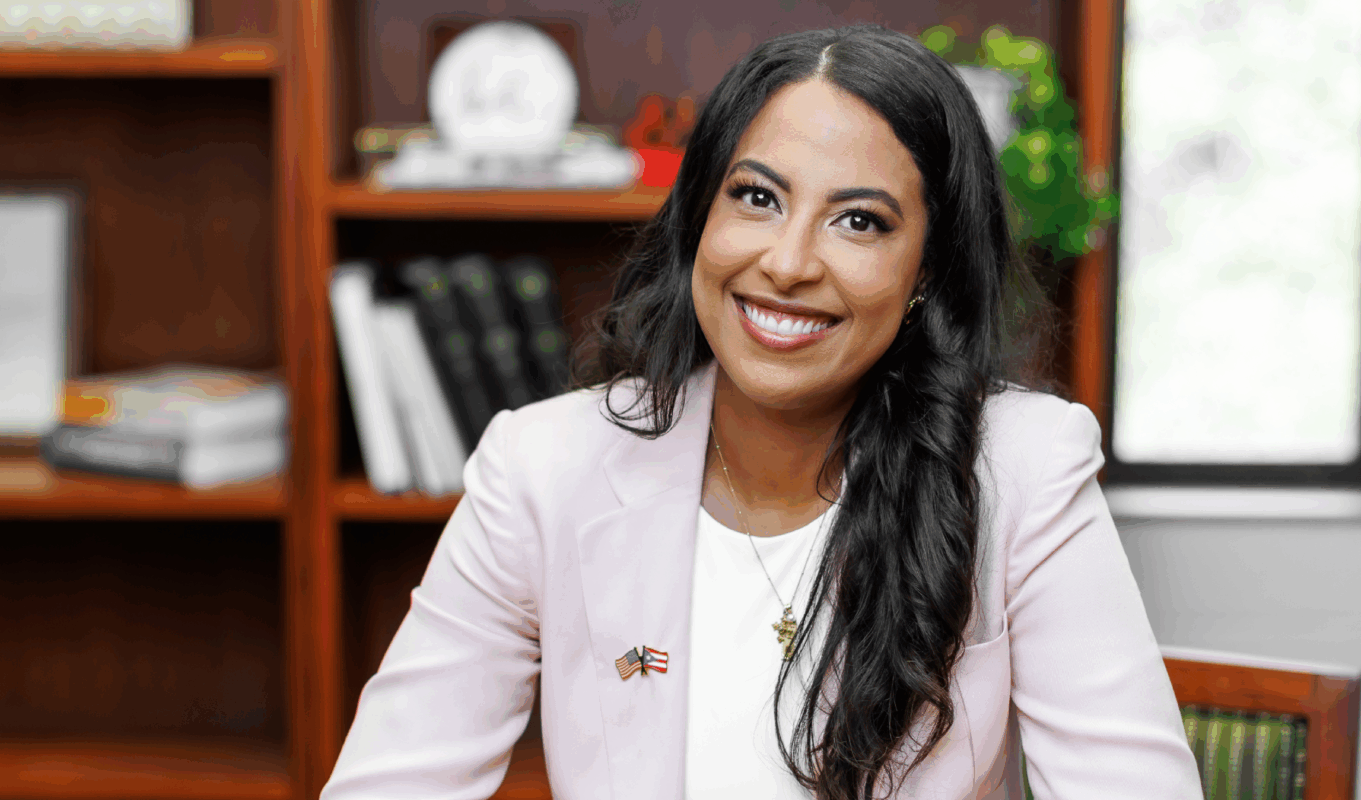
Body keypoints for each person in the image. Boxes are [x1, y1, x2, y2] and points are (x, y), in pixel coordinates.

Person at [323, 24, 1201, 800]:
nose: (786, 263)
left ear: (925, 270)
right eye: (756, 197)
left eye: (859, 221)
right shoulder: (541, 467)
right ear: (698, 216)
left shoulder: (1023, 469)